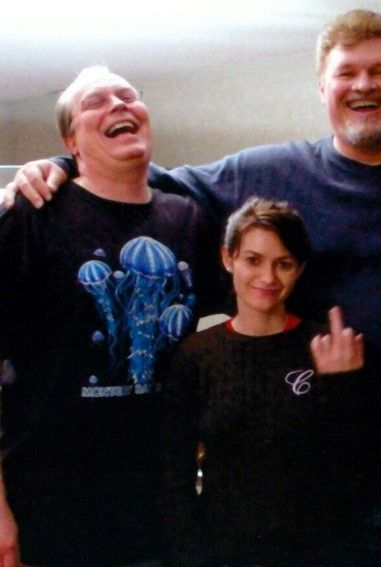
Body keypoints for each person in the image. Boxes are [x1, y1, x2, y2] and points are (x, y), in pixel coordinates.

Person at [3, 10, 381, 564]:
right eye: (346, 73)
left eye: (379, 71)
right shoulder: (270, 171)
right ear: (322, 88)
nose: (363, 85)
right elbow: (141, 178)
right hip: (322, 485)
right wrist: (61, 164)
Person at [0, 66, 221, 566]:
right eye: (95, 102)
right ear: (70, 142)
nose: (118, 105)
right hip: (51, 514)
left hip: (162, 514)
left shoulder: (187, 219)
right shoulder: (32, 216)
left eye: (127, 96)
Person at [162, 197, 365, 565]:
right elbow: (176, 472)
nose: (268, 278)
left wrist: (343, 384)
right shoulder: (197, 354)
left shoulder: (329, 347)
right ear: (228, 258)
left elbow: (350, 464)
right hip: (225, 551)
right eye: (253, 260)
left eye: (283, 264)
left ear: (299, 269)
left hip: (317, 552)